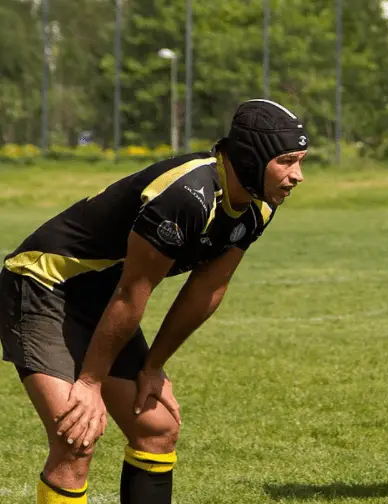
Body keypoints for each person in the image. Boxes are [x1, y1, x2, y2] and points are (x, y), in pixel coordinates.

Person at [0, 99, 308, 504]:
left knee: (158, 429)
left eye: (301, 161)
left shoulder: (259, 204)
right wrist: (90, 383)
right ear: (251, 158)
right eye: (286, 161)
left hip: (101, 296)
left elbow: (207, 290)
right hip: (43, 284)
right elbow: (132, 293)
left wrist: (153, 366)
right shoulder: (186, 195)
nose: (297, 175)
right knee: (77, 440)